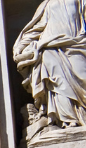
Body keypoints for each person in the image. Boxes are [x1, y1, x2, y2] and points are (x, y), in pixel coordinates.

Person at [14, 0, 86, 130]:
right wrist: (20, 46)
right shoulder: (47, 4)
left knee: (82, 77)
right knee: (58, 83)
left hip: (76, 44)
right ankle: (68, 120)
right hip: (49, 48)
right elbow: (37, 28)